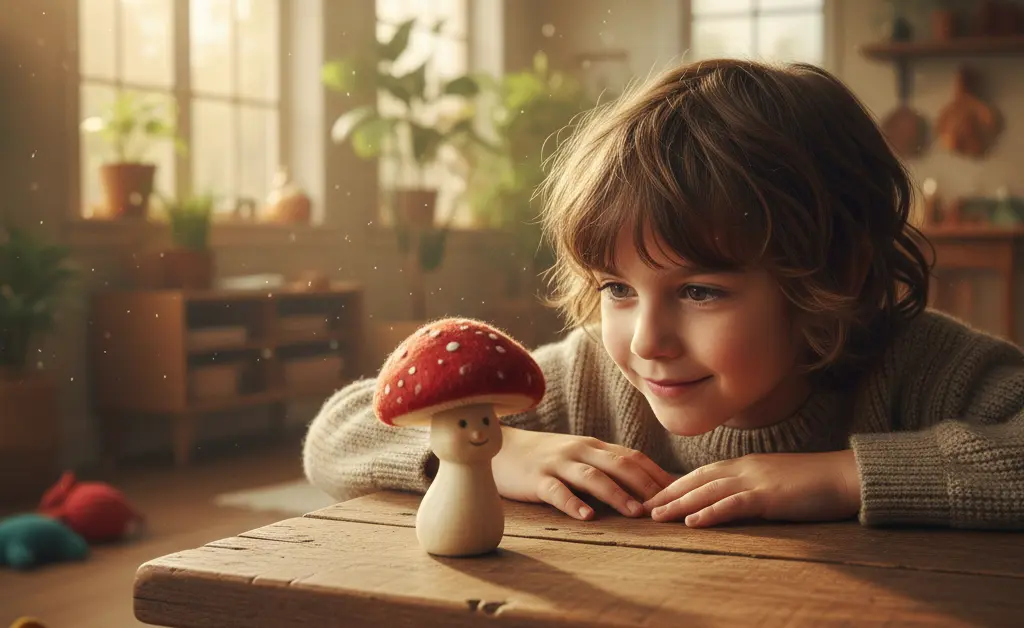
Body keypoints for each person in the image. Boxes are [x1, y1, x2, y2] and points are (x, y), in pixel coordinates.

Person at [303, 58, 1024, 530]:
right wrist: (492, 452)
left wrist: (844, 477)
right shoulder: (592, 377)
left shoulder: (917, 365)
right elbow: (338, 433)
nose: (646, 341)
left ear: (834, 275)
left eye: (701, 291)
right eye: (617, 287)